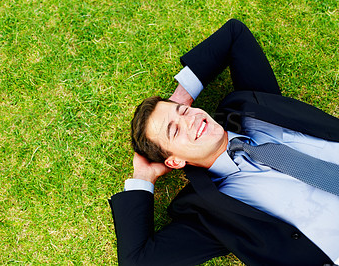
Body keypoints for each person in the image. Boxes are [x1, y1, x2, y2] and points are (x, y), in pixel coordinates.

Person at [109, 19, 339, 265]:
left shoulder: (248, 108)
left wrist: (179, 100)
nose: (191, 121)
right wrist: (143, 179)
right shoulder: (210, 213)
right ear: (174, 160)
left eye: (185, 113)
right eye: (174, 131)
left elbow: (235, 34)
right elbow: (137, 261)